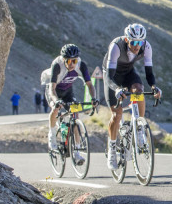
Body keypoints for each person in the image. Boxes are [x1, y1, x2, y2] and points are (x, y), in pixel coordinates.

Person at [102, 23, 162, 171]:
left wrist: (154, 87)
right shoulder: (116, 46)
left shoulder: (146, 47)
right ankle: (112, 150)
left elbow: (149, 73)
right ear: (127, 40)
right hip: (112, 76)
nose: (137, 46)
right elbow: (109, 77)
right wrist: (117, 89)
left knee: (139, 90)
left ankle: (139, 127)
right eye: (134, 42)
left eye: (140, 42)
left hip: (128, 73)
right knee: (117, 114)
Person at [45, 44, 98, 164]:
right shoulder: (57, 65)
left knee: (75, 118)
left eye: (74, 61)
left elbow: (90, 85)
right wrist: (56, 100)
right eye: (68, 61)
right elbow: (52, 89)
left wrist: (94, 98)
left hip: (68, 92)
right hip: (54, 91)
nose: (71, 64)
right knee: (55, 109)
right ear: (63, 59)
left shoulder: (81, 65)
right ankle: (52, 135)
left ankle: (77, 152)